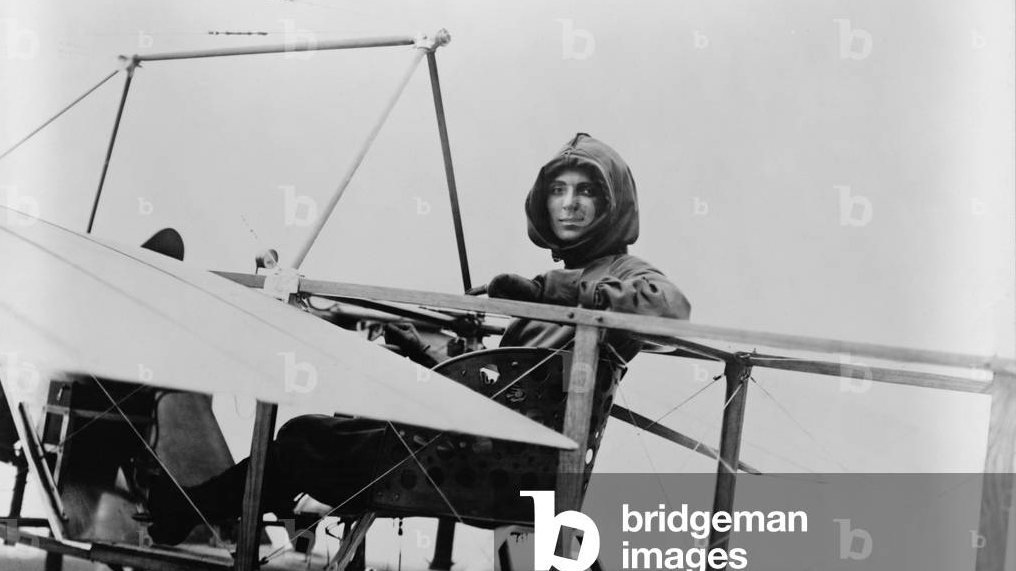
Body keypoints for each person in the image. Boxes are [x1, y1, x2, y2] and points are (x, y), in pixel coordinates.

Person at [144, 133, 690, 544]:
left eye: (587, 191)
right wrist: (416, 344)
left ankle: (190, 510)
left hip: (489, 469)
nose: (569, 204)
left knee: (303, 436)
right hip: (482, 455)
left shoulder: (625, 272)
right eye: (559, 191)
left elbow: (673, 310)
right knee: (334, 424)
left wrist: (544, 287)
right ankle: (199, 509)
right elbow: (497, 384)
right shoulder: (573, 285)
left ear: (613, 203)